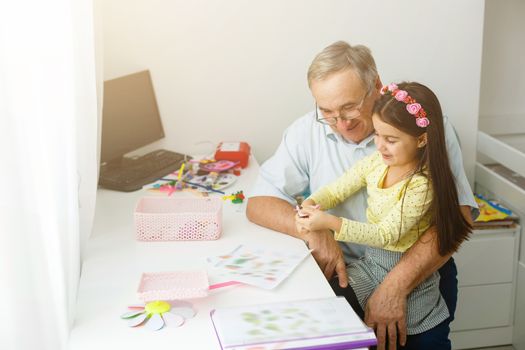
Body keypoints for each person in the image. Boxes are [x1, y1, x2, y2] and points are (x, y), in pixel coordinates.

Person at [246, 41, 477, 350]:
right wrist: (313, 230)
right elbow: (260, 202)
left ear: (377, 87)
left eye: (350, 107)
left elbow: (459, 217)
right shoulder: (305, 132)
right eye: (327, 111)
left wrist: (395, 285)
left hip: (418, 272)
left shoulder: (429, 130)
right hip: (352, 271)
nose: (341, 123)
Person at [295, 81, 472, 349]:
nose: (380, 145)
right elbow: (338, 189)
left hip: (404, 271)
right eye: (377, 134)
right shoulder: (378, 163)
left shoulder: (421, 185)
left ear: (421, 139)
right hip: (372, 265)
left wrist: (329, 222)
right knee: (327, 301)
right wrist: (311, 202)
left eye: (391, 139)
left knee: (411, 332)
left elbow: (386, 234)